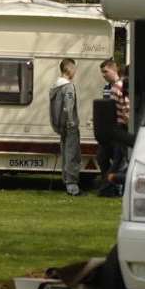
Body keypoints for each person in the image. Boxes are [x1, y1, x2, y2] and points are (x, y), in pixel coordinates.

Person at [50, 58, 82, 196]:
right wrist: (71, 121)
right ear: (69, 69)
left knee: (65, 154)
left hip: (60, 125)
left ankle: (66, 181)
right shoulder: (68, 86)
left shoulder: (55, 86)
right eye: (74, 69)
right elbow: (68, 106)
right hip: (70, 126)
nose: (75, 72)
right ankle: (72, 187)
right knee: (72, 154)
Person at [97, 59, 124, 197]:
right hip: (107, 131)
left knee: (118, 161)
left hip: (118, 129)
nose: (103, 75)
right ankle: (108, 185)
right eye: (102, 72)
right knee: (101, 157)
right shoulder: (107, 88)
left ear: (114, 70)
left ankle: (112, 188)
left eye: (105, 71)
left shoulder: (122, 86)